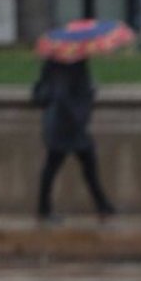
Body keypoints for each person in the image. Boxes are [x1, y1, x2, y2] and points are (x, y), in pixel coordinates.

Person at [31, 58, 115, 224]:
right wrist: (89, 94)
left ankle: (102, 205)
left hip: (62, 125)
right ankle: (44, 209)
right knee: (62, 165)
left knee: (81, 164)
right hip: (67, 126)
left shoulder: (54, 63)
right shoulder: (72, 64)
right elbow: (67, 95)